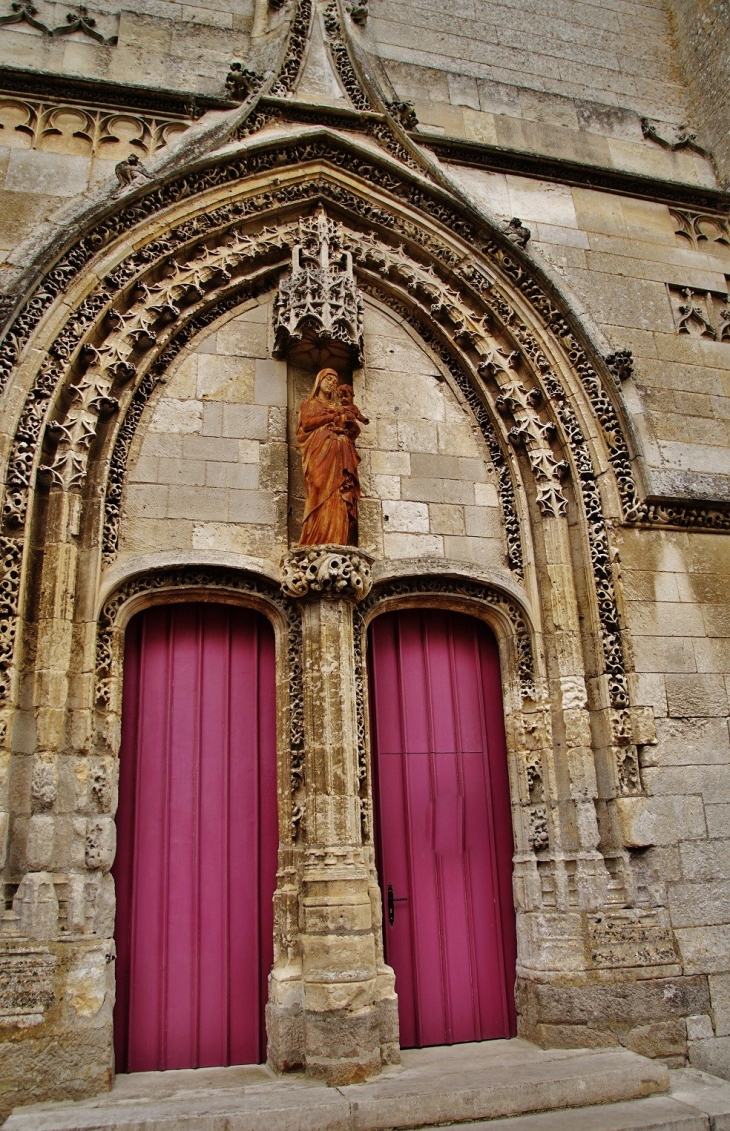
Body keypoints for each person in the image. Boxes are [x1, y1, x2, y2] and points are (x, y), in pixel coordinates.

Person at [296, 368, 364, 546]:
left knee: (340, 493)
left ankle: (337, 539)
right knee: (318, 487)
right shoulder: (310, 404)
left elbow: (353, 431)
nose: (331, 383)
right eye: (328, 379)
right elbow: (307, 424)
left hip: (340, 455)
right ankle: (313, 539)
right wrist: (333, 415)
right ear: (319, 381)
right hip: (319, 453)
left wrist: (350, 426)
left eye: (335, 381)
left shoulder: (340, 407)